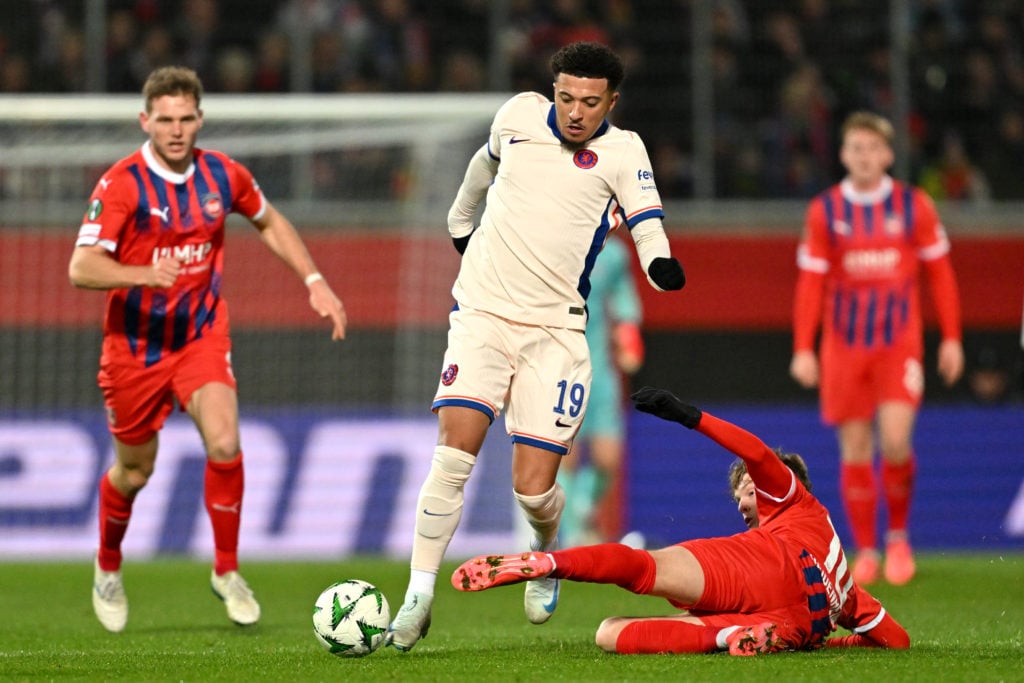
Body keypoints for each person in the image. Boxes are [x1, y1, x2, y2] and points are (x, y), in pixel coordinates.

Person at [387, 41, 686, 652]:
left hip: (555, 332)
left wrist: (660, 265)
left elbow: (647, 222)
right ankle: (417, 595)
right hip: (484, 315)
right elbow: (480, 167)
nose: (576, 112)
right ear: (554, 91)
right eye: (567, 97)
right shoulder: (517, 117)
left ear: (612, 101)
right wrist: (458, 222)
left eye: (590, 102)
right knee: (455, 453)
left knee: (533, 488)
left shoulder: (624, 152)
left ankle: (542, 548)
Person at [68, 65, 347, 633]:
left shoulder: (223, 174)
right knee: (134, 471)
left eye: (186, 118)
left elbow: (269, 222)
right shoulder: (121, 185)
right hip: (136, 347)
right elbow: (81, 267)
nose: (175, 129)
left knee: (224, 441)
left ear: (200, 118)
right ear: (145, 121)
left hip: (199, 335)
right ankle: (108, 564)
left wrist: (313, 280)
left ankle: (225, 569)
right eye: (164, 119)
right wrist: (146, 273)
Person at [452, 387, 911, 656]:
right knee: (609, 632)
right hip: (795, 624)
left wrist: (688, 415)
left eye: (746, 493)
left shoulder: (790, 494)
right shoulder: (851, 592)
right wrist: (830, 643)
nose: (743, 506)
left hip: (765, 567)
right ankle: (730, 635)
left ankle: (550, 563)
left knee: (644, 566)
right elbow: (896, 640)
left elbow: (755, 452)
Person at [788, 111, 964, 586]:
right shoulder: (825, 210)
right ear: (843, 155)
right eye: (855, 149)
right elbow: (810, 283)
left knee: (896, 441)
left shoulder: (914, 206)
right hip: (844, 348)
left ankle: (899, 538)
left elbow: (940, 274)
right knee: (856, 448)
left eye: (873, 149)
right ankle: (865, 549)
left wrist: (951, 338)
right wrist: (804, 347)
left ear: (888, 154)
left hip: (898, 345)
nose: (865, 157)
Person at [559, 233, 644, 547]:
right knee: (563, 456)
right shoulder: (553, 242)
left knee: (608, 458)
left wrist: (629, 336)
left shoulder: (613, 254)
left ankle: (582, 506)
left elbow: (624, 301)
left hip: (601, 371)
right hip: (560, 367)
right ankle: (573, 536)